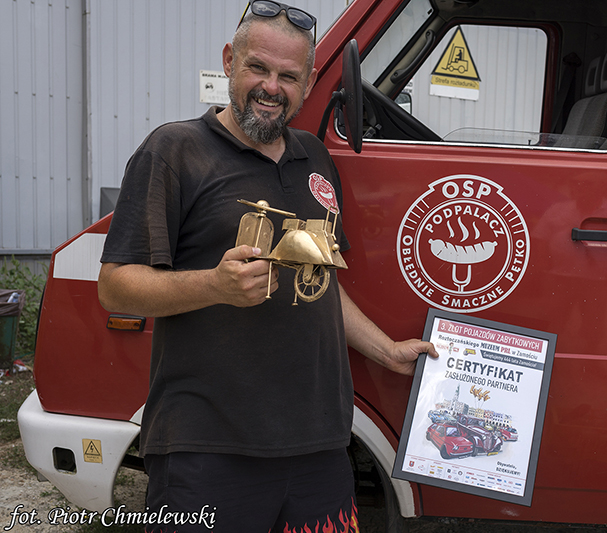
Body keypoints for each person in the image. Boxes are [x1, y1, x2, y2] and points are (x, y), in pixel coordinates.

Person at [97, 3, 438, 531]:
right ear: (230, 61)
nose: (271, 87)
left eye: (288, 76)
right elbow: (116, 286)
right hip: (207, 450)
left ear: (311, 81)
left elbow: (322, 281)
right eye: (258, 68)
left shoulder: (314, 158)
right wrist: (214, 284)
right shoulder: (174, 151)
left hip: (321, 446)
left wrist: (386, 350)